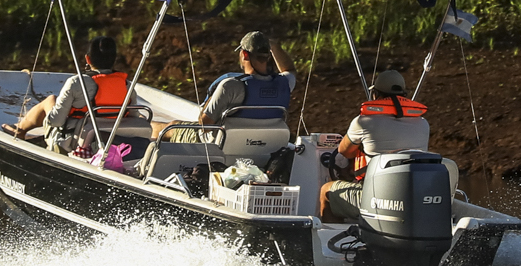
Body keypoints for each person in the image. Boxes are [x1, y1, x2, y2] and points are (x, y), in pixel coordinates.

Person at [319, 68, 432, 222]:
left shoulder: (363, 122)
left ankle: (330, 241)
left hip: (378, 198)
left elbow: (344, 151)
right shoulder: (423, 124)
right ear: (405, 96)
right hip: (412, 197)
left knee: (326, 191)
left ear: (375, 95)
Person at [159, 30, 294, 137]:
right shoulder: (284, 84)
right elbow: (289, 69)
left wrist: (212, 97)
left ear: (244, 55)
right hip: (262, 145)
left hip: (220, 145)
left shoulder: (230, 86)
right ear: (268, 55)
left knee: (169, 126)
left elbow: (204, 126)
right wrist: (274, 46)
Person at [13, 35, 138, 141]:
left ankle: (20, 129)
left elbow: (56, 122)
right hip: (111, 139)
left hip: (76, 140)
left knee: (50, 100)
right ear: (114, 59)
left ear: (87, 59)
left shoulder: (77, 82)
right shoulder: (127, 85)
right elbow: (133, 118)